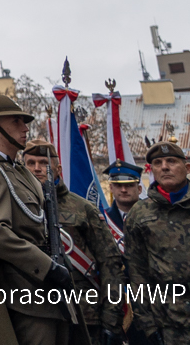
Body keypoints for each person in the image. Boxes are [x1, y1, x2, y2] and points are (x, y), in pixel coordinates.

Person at [0, 92, 88, 345]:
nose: (25, 128)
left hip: (44, 293)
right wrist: (46, 266)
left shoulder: (18, 172)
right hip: (25, 296)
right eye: (15, 121)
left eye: (24, 121)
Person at [122, 140, 190, 345]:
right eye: (157, 163)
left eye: (171, 161)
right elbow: (137, 275)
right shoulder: (138, 215)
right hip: (168, 321)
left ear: (187, 168)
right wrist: (147, 324)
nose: (164, 167)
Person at [21, 142, 123, 342]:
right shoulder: (14, 208)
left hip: (83, 313)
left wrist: (111, 318)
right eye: (30, 163)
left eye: (44, 163)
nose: (37, 168)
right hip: (33, 312)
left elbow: (110, 263)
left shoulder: (84, 209)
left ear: (58, 169)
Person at [105, 166, 141, 238]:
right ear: (111, 188)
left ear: (139, 189)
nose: (123, 190)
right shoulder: (103, 218)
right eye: (118, 185)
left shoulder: (152, 214)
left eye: (129, 185)